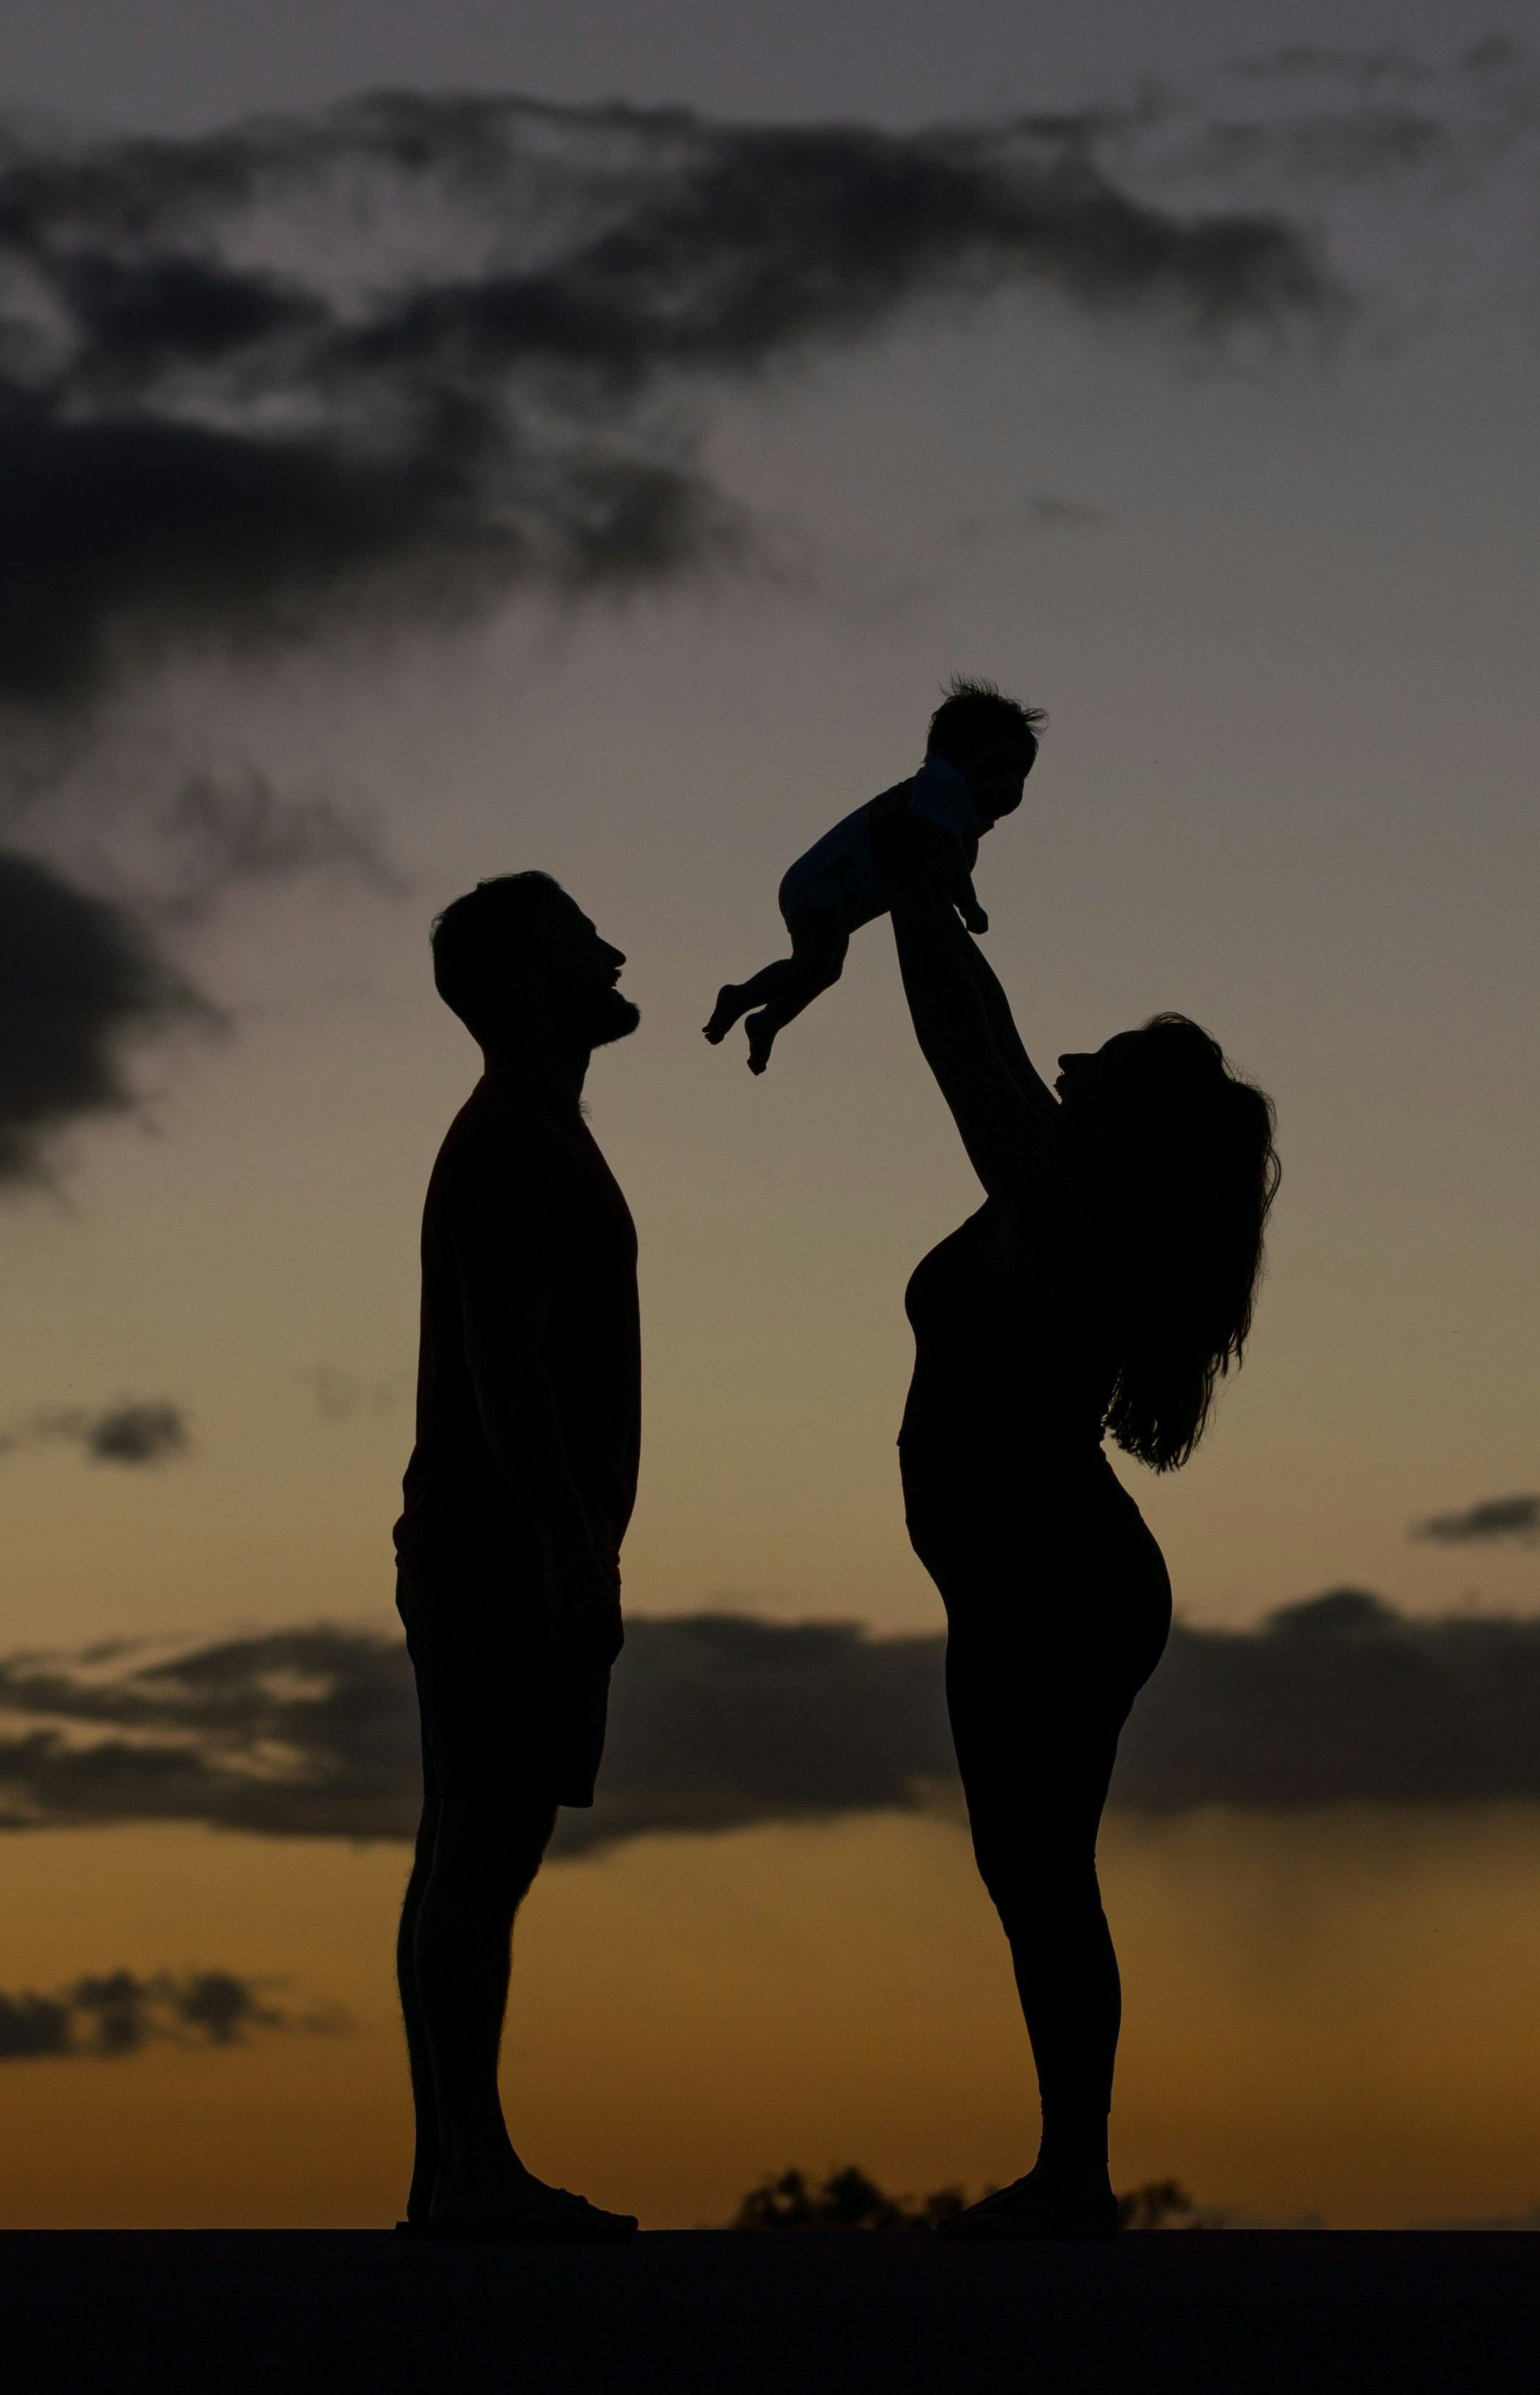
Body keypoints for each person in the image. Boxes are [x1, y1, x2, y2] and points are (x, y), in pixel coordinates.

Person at [868, 781, 1280, 2239]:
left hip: (1055, 1583)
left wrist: (915, 894)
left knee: (1036, 1871)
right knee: (1032, 1870)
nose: (1069, 1060)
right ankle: (1072, 2170)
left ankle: (1073, 2177)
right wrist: (933, 893)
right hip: (1041, 1580)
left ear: (1133, 1125)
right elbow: (985, 1027)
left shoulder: (1061, 1211)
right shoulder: (1062, 1195)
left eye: (1098, 1062)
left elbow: (959, 1053)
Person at [390, 872, 643, 2242]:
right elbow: (504, 1360)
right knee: (482, 1853)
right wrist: (568, 1550)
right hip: (501, 1555)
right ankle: (468, 2175)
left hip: (500, 1549)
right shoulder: (513, 1146)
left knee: (469, 1852)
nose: (610, 952)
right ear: (515, 985)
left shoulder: (537, 1136)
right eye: (576, 942)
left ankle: (453, 2175)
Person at [701, 678, 1040, 1075]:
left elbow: (949, 860)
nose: (1011, 787)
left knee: (826, 971)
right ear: (952, 756)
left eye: (1020, 776)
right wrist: (970, 906)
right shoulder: (939, 788)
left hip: (837, 896)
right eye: (998, 769)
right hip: (824, 886)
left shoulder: (960, 818)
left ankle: (766, 1021)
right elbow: (946, 857)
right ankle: (740, 997)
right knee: (813, 966)